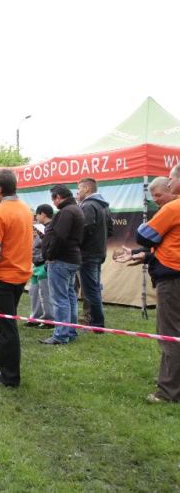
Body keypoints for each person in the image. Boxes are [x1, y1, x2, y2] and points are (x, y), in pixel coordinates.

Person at [114, 164, 180, 403]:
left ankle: (168, 392)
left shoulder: (173, 207)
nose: (169, 183)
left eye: (171, 180)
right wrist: (145, 254)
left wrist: (146, 247)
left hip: (172, 279)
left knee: (170, 334)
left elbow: (145, 235)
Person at [0, 169, 33, 387]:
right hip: (20, 275)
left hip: (2, 278)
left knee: (6, 330)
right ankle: (9, 375)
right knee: (8, 327)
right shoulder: (25, 209)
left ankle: (9, 377)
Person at [40, 184, 84, 345]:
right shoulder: (75, 209)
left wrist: (50, 255)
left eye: (53, 199)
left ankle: (61, 335)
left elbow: (59, 237)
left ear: (58, 197)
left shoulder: (66, 212)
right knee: (70, 297)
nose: (53, 203)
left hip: (62, 259)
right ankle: (70, 331)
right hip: (72, 259)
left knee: (60, 299)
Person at [76, 177, 113, 329]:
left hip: (88, 254)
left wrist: (76, 243)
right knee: (94, 288)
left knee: (91, 291)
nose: (77, 192)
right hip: (98, 252)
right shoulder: (104, 206)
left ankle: (97, 324)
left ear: (86, 189)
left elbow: (84, 228)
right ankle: (94, 321)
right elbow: (110, 230)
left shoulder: (88, 205)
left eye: (78, 189)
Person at [24, 204, 54, 328]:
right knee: (34, 292)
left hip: (44, 264)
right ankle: (35, 317)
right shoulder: (40, 228)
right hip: (36, 264)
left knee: (45, 294)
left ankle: (49, 319)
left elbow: (49, 246)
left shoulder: (50, 229)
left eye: (37, 214)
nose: (35, 217)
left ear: (43, 214)